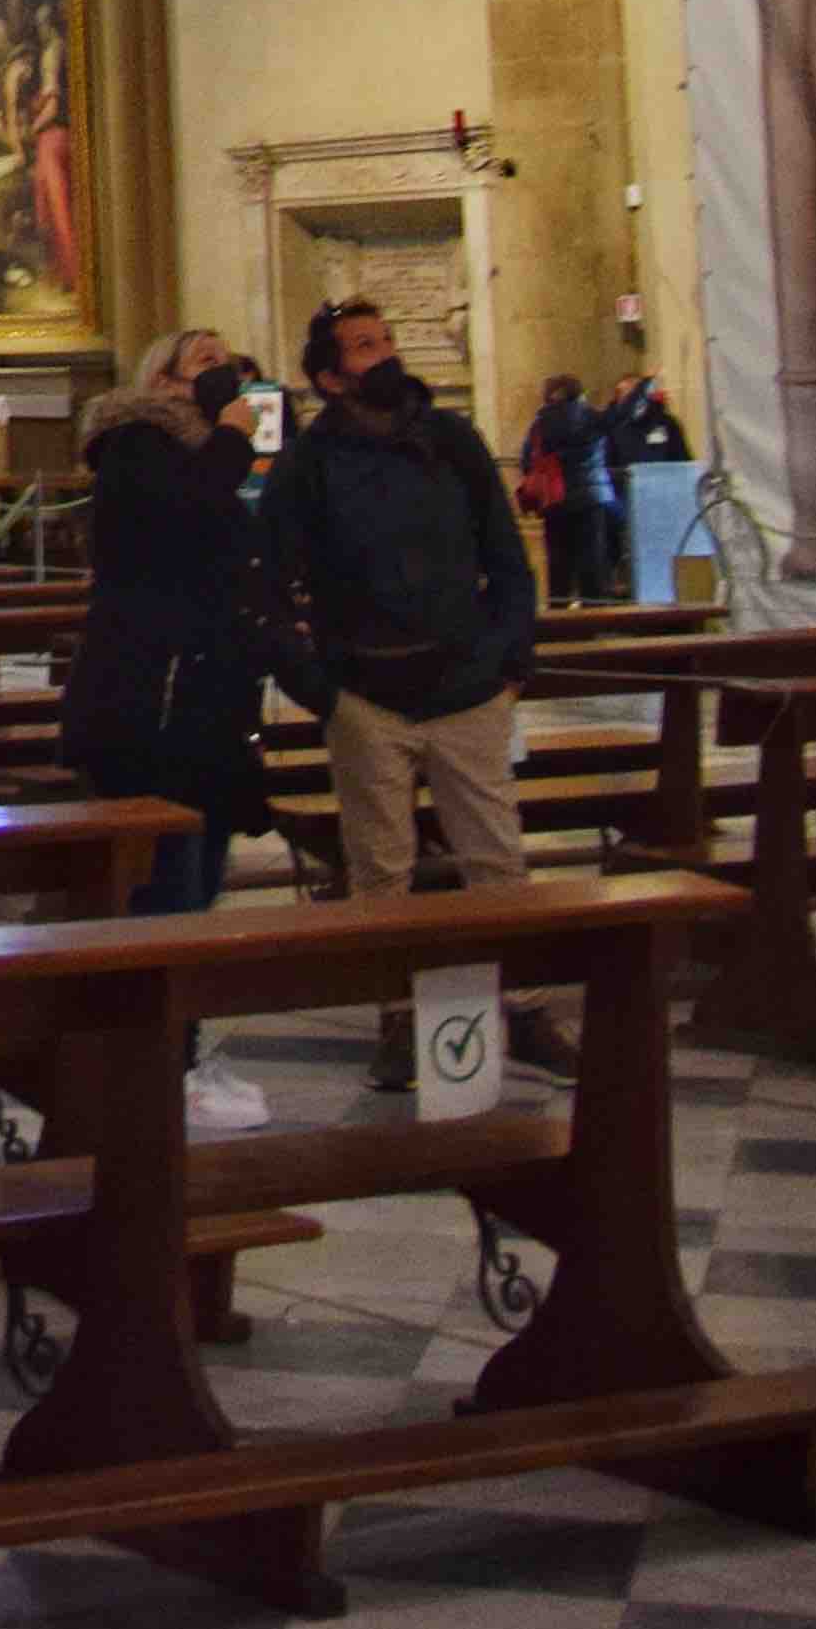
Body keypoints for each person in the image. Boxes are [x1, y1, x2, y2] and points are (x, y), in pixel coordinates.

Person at [260, 297, 563, 1086]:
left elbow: (506, 557)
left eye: (386, 339)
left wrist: (509, 660)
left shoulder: (451, 440)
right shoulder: (309, 463)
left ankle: (525, 1007)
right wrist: (321, 691)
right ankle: (397, 1019)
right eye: (364, 346)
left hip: (464, 686)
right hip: (368, 695)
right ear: (329, 376)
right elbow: (266, 587)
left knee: (496, 858)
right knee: (381, 869)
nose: (384, 353)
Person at [60, 328, 275, 1134]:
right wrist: (229, 438)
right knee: (165, 883)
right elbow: (187, 513)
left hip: (208, 698)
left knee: (202, 877)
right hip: (151, 703)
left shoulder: (208, 452)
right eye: (205, 361)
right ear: (164, 378)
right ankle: (156, 1063)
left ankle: (177, 1051)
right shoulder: (132, 442)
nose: (223, 374)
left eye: (230, 363)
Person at [521, 371, 624, 607]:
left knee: (558, 564)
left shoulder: (540, 423)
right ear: (580, 393)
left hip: (554, 499)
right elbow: (619, 416)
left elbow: (527, 461)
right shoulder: (590, 417)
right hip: (591, 498)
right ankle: (595, 619)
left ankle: (561, 620)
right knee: (593, 562)